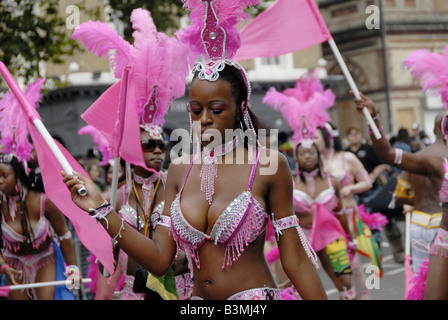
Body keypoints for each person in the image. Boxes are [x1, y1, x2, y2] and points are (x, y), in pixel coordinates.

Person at [62, 0, 328, 300]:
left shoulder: (267, 164)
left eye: (216, 109)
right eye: (195, 109)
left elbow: (296, 260)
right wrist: (101, 209)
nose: (204, 120)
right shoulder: (179, 169)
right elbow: (161, 260)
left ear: (240, 108)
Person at [354, 93, 448, 299]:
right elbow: (388, 154)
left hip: (421, 222)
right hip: (443, 240)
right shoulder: (436, 162)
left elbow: (402, 195)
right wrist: (374, 119)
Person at [314, 124, 378, 300]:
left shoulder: (347, 157)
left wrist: (351, 188)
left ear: (328, 137)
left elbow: (367, 182)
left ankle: (364, 297)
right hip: (325, 221)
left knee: (355, 265)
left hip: (349, 217)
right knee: (333, 266)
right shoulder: (313, 161)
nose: (313, 141)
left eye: (316, 137)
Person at [0, 154, 77, 300]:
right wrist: (4, 266)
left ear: (19, 174)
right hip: (14, 266)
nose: (0, 181)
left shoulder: (43, 200)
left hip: (45, 261)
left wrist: (74, 270)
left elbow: (64, 236)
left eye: (5, 175)